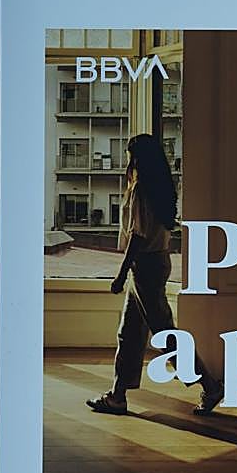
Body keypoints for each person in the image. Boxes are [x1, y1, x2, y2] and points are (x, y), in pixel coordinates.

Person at [86, 133, 222, 417]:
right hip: (156, 262)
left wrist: (121, 275)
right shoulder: (162, 188)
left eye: (129, 154)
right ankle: (117, 396)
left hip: (144, 267)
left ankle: (210, 386)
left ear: (137, 158)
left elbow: (137, 236)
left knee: (165, 335)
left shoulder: (141, 189)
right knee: (130, 334)